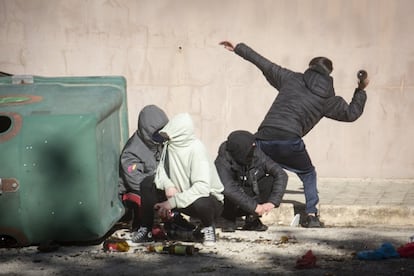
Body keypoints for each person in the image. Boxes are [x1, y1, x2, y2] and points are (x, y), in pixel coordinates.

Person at [220, 41, 369, 227]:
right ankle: (312, 214)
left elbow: (264, 64)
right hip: (289, 141)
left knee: (257, 172)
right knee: (308, 174)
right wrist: (361, 90)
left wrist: (238, 48)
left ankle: (248, 213)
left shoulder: (291, 78)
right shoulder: (328, 100)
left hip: (263, 137)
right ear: (329, 74)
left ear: (310, 68)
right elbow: (351, 113)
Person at [153, 113, 224, 246]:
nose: (167, 139)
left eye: (170, 135)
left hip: (209, 200)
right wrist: (168, 185)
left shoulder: (197, 149)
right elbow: (160, 171)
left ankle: (208, 227)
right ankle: (148, 227)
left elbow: (202, 188)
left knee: (202, 202)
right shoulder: (169, 146)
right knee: (148, 184)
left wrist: (171, 203)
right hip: (180, 195)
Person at [214, 130, 288, 232]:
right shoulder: (222, 161)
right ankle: (229, 219)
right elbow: (228, 188)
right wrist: (254, 207)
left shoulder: (256, 154)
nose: (253, 147)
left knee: (269, 181)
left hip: (250, 196)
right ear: (241, 148)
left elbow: (280, 173)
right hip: (230, 202)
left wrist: (272, 202)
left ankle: (252, 220)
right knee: (229, 191)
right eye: (250, 146)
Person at [118, 104, 168, 236]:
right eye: (157, 135)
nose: (161, 138)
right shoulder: (132, 151)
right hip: (136, 190)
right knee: (145, 195)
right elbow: (134, 181)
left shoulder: (159, 143)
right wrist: (160, 188)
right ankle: (144, 225)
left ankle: (172, 221)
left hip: (157, 186)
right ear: (147, 132)